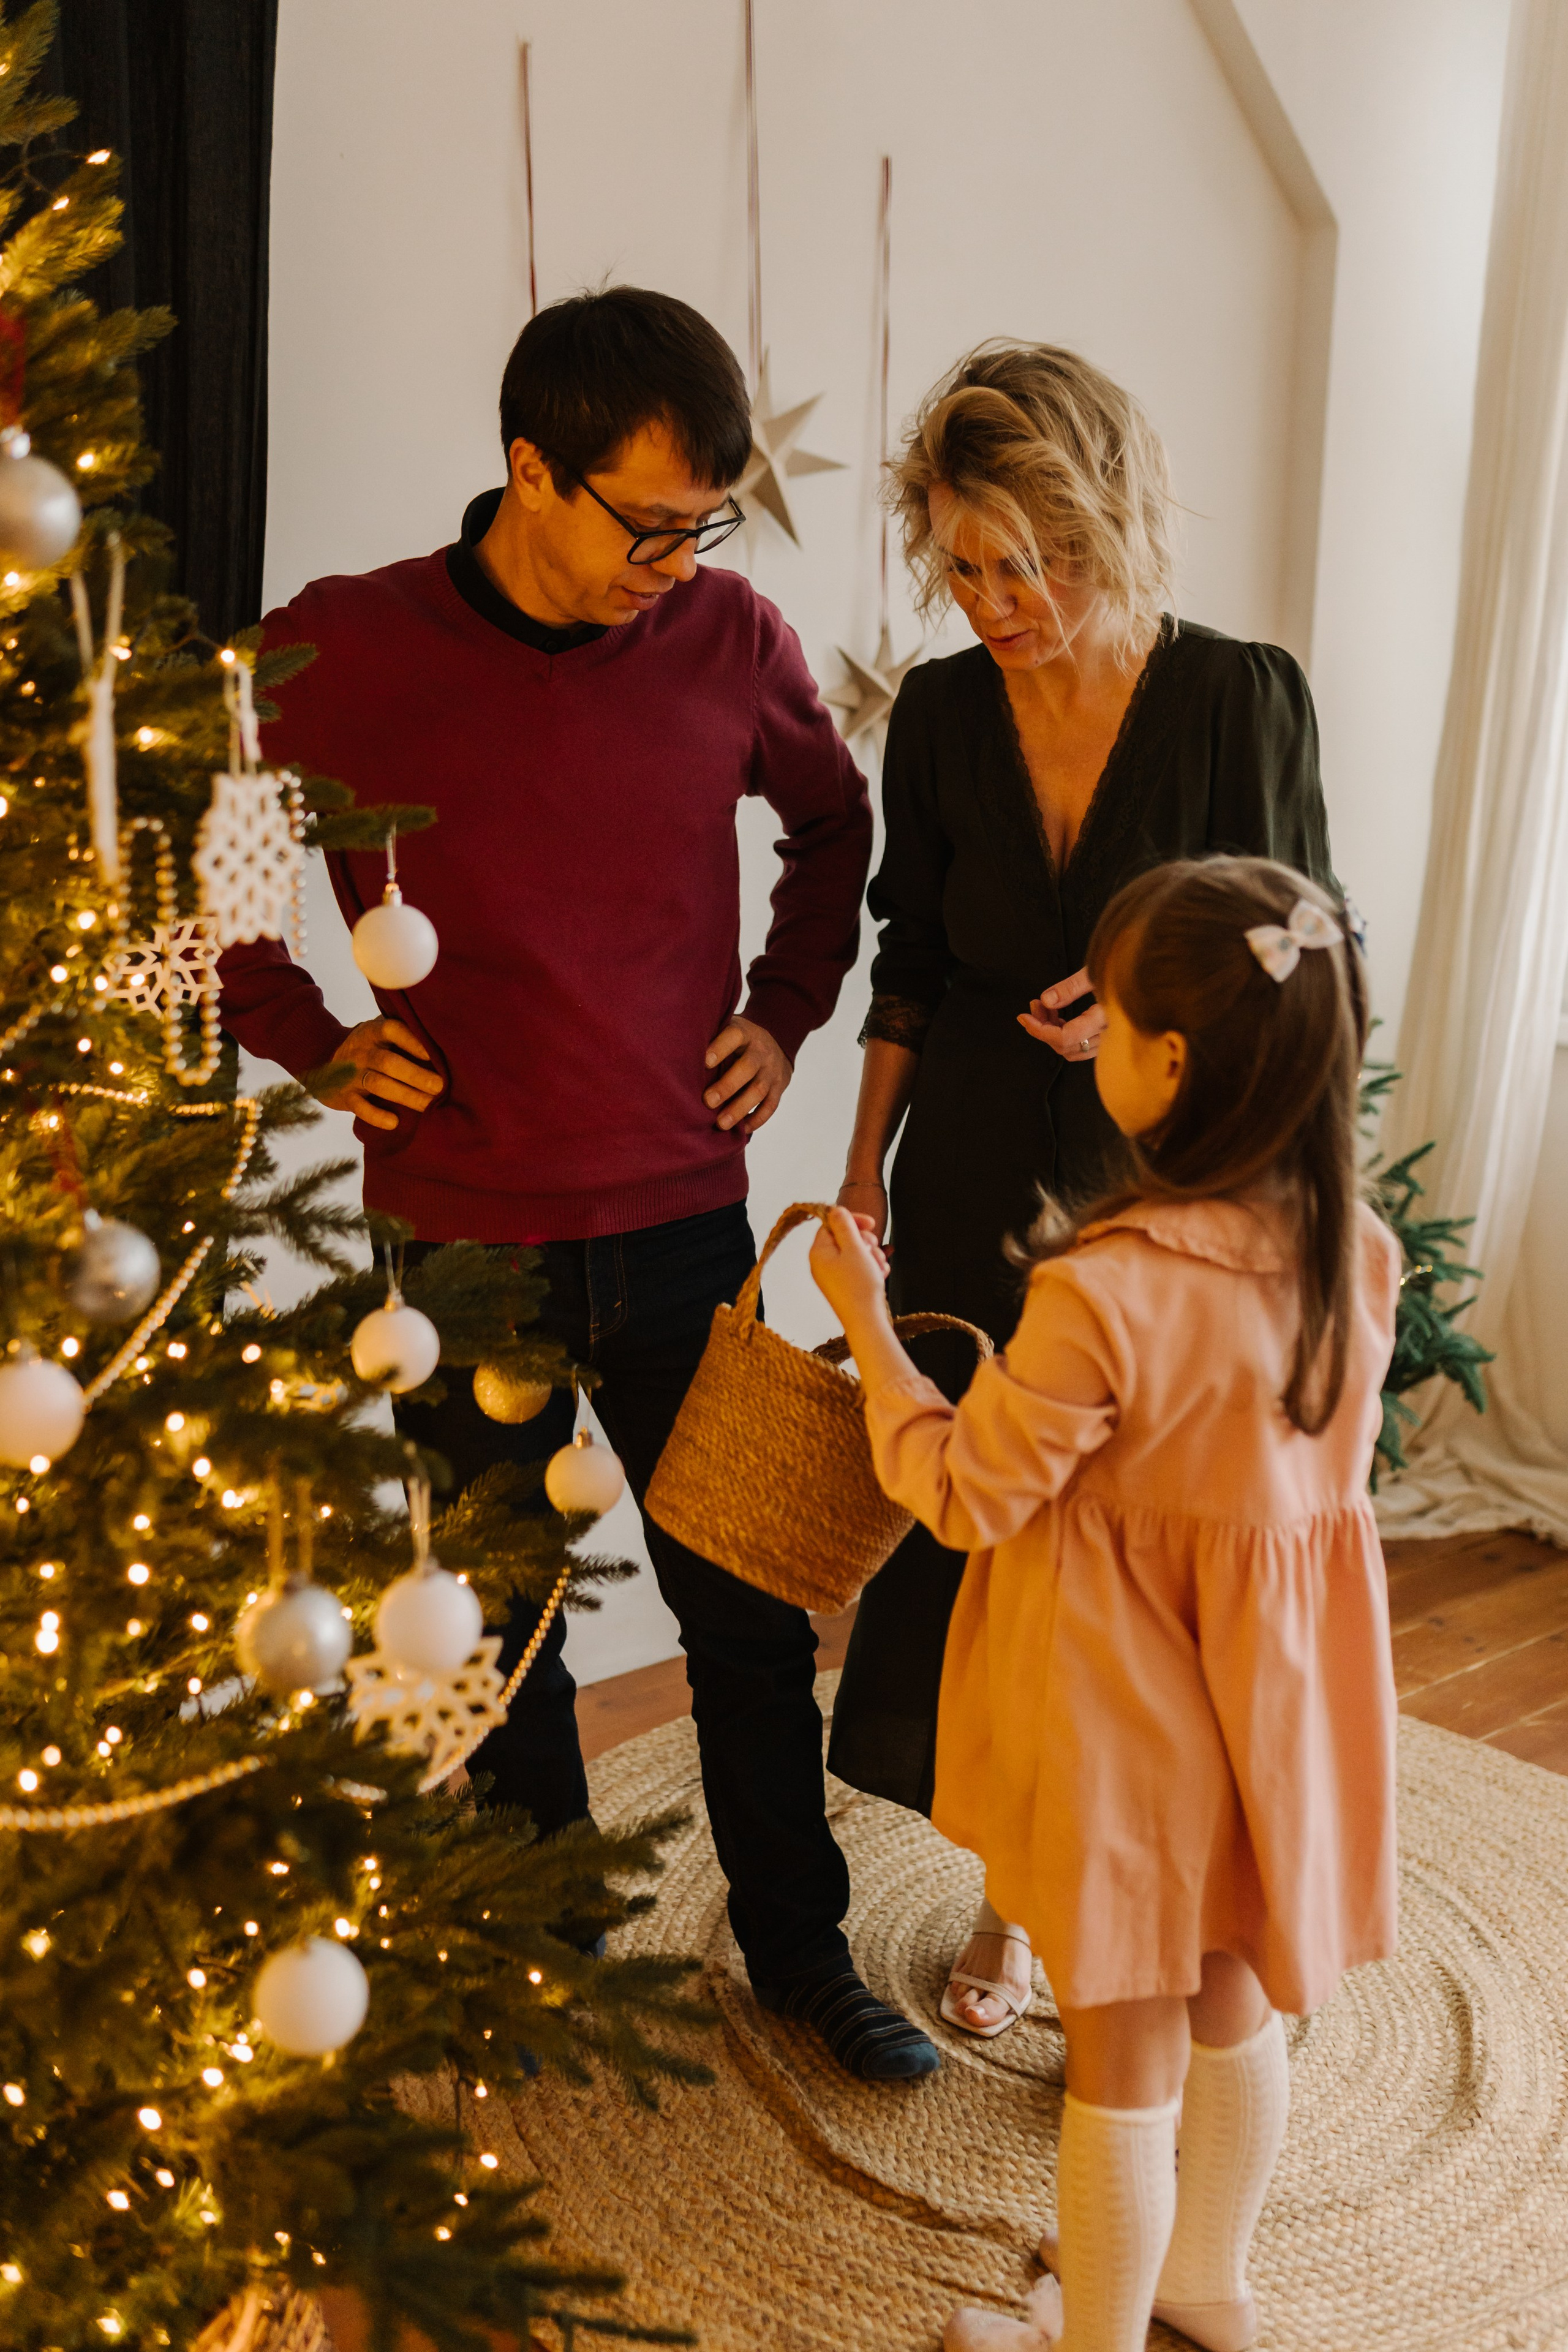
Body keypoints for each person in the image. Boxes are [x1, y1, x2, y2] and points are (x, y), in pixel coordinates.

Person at [220, 286, 942, 2084]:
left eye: (705, 525)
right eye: (645, 525)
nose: (675, 561)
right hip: (461, 1240)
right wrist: (303, 1029)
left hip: (686, 1217)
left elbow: (835, 831)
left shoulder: (727, 634)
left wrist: (786, 1012)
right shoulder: (341, 644)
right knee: (500, 1627)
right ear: (527, 472)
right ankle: (537, 1963)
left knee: (750, 1623)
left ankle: (799, 1950)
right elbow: (206, 816)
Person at [811, 856, 1399, 2352]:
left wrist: (871, 1335)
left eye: (1112, 1018)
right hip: (1260, 1715)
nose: (1093, 1039)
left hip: (1121, 1728)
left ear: (1171, 1067)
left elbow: (962, 1494)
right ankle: (1208, 2288)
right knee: (1228, 2006)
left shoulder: (1105, 1292)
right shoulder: (1355, 1258)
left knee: (1120, 2061)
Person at [827, 342, 1338, 2040]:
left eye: (1033, 560)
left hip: (1159, 1181)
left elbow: (1302, 950)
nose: (998, 599)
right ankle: (1016, 1894)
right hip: (970, 1154)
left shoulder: (1236, 698)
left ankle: (1152, 1894)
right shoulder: (948, 715)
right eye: (965, 565)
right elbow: (909, 954)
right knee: (987, 1541)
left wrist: (1138, 1011)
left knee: (1125, 1565)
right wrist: (858, 1168)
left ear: (1110, 523)